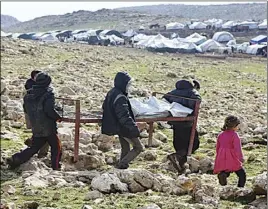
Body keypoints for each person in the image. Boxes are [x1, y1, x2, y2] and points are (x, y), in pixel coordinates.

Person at [7, 72, 63, 170]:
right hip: (48, 126)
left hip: (36, 125)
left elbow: (26, 109)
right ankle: (56, 166)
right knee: (56, 147)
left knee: (34, 147)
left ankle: (16, 158)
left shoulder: (28, 94)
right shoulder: (48, 94)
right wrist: (58, 117)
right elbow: (49, 110)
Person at [101, 71, 143, 169]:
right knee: (138, 147)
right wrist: (133, 128)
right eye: (128, 84)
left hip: (117, 126)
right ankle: (122, 164)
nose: (129, 87)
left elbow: (104, 106)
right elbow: (124, 116)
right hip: (123, 127)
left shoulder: (112, 92)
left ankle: (122, 168)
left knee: (126, 148)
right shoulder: (120, 97)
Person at [163, 79, 201, 173]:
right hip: (187, 121)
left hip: (175, 121)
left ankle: (180, 165)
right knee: (193, 144)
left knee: (179, 142)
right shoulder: (192, 93)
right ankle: (177, 157)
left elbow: (164, 100)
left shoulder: (173, 92)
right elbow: (196, 100)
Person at [213, 115, 246, 187]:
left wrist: (219, 156)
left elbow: (217, 147)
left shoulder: (220, 135)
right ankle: (240, 188)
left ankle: (223, 175)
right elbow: (237, 148)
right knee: (242, 174)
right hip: (232, 158)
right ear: (235, 126)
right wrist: (241, 158)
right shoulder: (234, 135)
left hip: (221, 157)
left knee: (225, 170)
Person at [24, 70, 50, 158]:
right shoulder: (33, 86)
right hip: (37, 115)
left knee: (38, 133)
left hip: (33, 113)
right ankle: (41, 153)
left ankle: (32, 145)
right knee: (45, 135)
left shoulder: (35, 87)